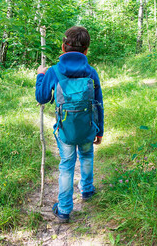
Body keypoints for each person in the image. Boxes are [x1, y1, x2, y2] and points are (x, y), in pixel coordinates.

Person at [35, 26, 104, 223]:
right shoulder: (91, 72)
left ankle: (64, 209)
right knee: (87, 155)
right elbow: (98, 104)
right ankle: (87, 190)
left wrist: (41, 75)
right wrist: (100, 131)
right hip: (88, 126)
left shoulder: (54, 71)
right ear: (86, 51)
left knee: (66, 165)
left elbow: (41, 97)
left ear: (63, 47)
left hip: (65, 129)